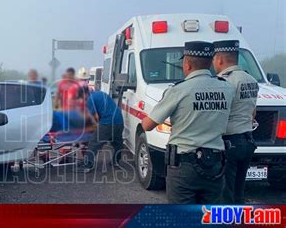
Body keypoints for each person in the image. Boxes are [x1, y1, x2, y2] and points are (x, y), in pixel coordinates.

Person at [141, 41, 235, 204]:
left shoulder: (178, 90)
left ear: (187, 64)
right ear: (210, 62)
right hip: (215, 165)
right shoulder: (227, 88)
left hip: (184, 167)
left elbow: (148, 125)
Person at [212, 40, 259, 204]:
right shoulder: (251, 79)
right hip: (248, 140)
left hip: (229, 142)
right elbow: (253, 111)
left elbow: (218, 113)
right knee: (239, 190)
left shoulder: (223, 82)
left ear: (219, 60)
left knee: (226, 192)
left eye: (213, 59)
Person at [76, 86, 124, 173]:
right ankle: (116, 161)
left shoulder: (90, 99)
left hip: (108, 122)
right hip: (119, 120)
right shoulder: (100, 93)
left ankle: (87, 165)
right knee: (117, 143)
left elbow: (91, 118)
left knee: (94, 142)